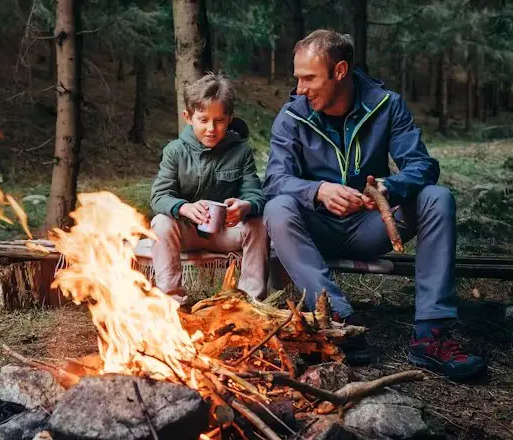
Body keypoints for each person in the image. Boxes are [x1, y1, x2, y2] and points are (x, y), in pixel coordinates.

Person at [263, 29, 486, 380]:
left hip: (373, 226)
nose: (300, 88)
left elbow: (423, 166)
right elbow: (274, 180)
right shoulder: (292, 116)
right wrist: (318, 190)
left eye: (309, 78)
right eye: (298, 78)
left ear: (339, 71)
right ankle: (338, 321)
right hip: (313, 229)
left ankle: (431, 334)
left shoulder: (386, 105)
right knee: (277, 208)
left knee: (437, 198)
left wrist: (387, 187)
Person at [150, 73, 268, 307]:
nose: (211, 129)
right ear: (188, 117)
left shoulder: (240, 151)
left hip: (226, 232)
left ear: (229, 119)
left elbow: (256, 195)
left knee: (259, 224)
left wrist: (246, 206)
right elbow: (158, 197)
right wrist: (183, 208)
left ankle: (251, 303)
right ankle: (172, 302)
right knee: (161, 223)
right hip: (187, 233)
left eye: (219, 120)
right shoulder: (175, 151)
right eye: (203, 120)